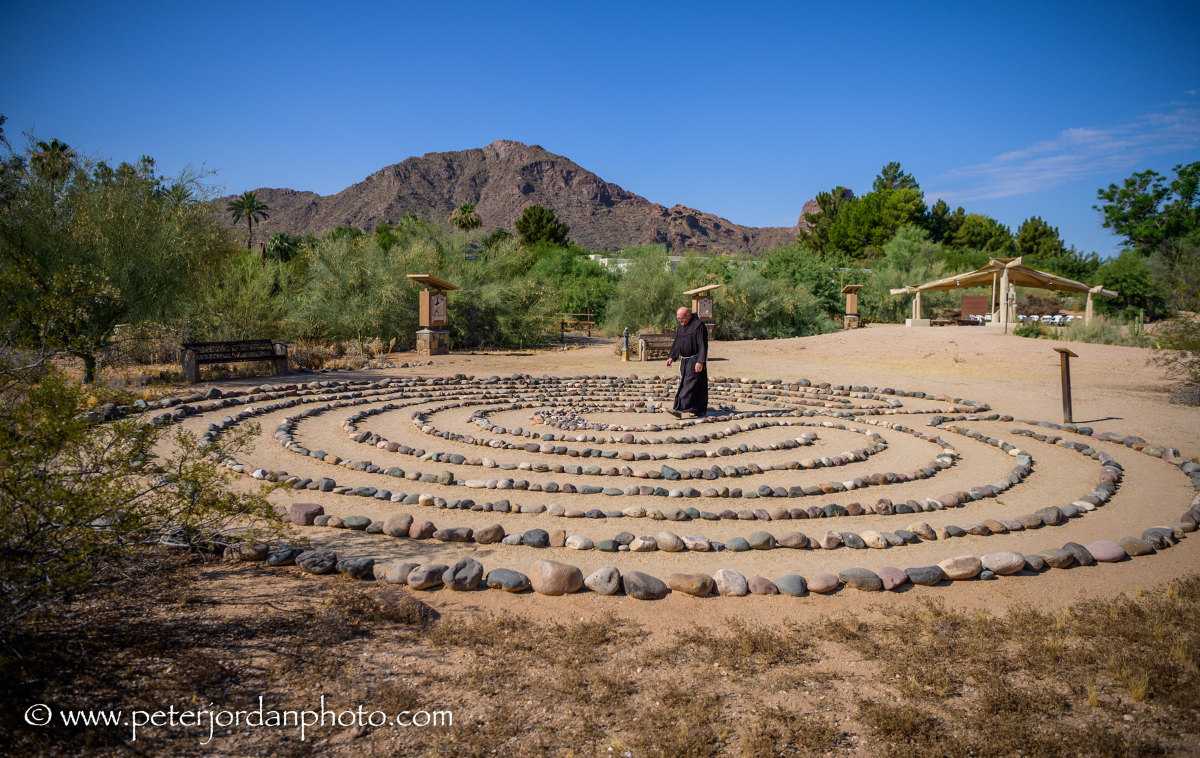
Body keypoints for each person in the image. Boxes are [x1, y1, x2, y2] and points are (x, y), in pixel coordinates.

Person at [665, 306, 708, 417]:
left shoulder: (698, 326)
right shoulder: (681, 327)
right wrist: (672, 357)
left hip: (695, 360)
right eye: (678, 319)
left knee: (689, 384)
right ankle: (696, 409)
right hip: (684, 361)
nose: (680, 321)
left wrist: (700, 361)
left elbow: (703, 345)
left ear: (688, 315)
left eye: (681, 318)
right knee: (694, 385)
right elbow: (677, 343)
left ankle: (679, 409)